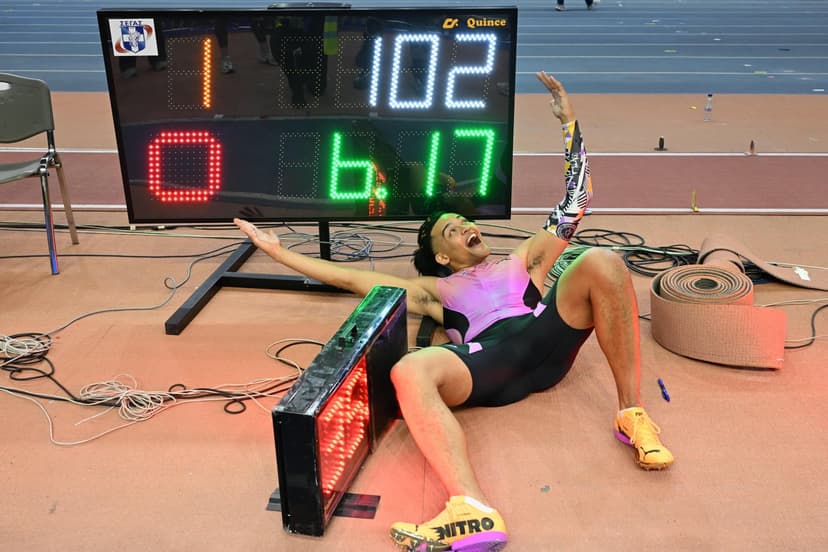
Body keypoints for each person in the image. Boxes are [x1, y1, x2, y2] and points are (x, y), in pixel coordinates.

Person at [234, 71, 673, 552]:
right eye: (452, 229)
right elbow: (351, 279)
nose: (465, 225)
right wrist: (278, 253)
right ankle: (472, 508)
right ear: (443, 255)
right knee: (409, 370)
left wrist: (569, 124)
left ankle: (632, 414)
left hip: (545, 335)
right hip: (488, 363)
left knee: (603, 261)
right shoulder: (435, 290)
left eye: (464, 220)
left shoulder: (524, 259)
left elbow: (576, 203)